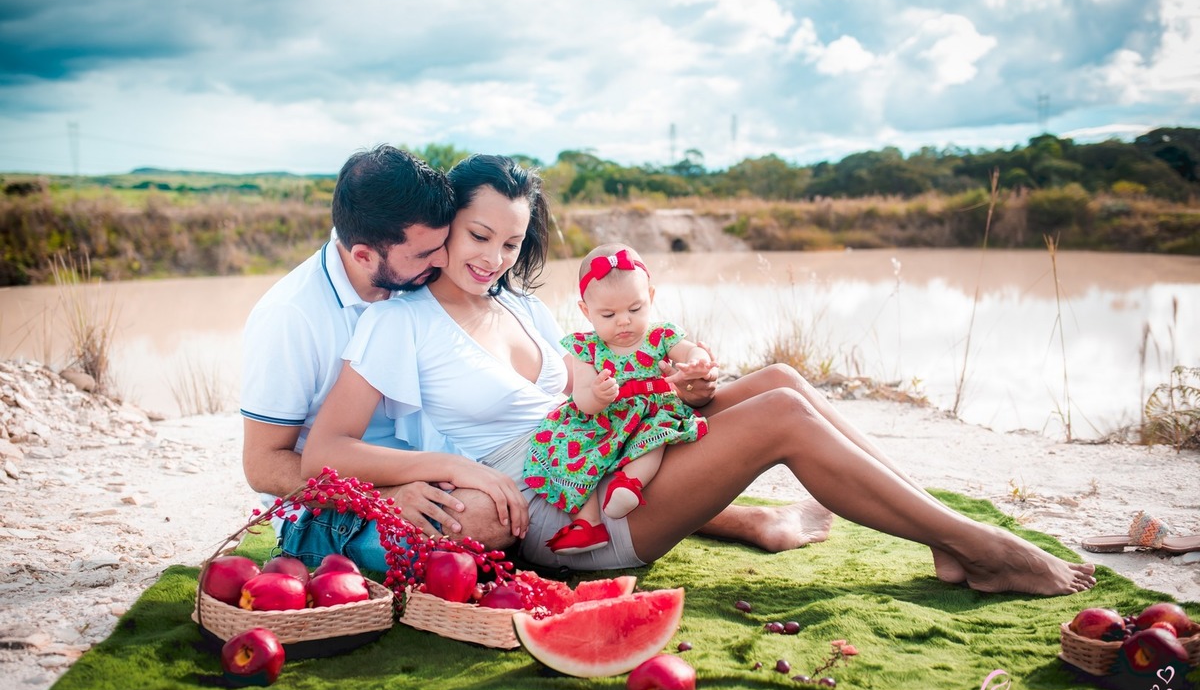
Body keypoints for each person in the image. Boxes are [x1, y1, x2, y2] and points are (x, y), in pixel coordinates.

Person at [303, 153, 1097, 596]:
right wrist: (443, 464)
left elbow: (596, 387)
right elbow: (326, 451)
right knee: (780, 422)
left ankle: (941, 540)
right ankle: (981, 546)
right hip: (558, 510)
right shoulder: (397, 323)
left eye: (511, 243)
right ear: (448, 227)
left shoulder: (521, 310)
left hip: (598, 446)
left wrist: (683, 389)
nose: (493, 258)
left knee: (781, 379)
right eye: (480, 235)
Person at [239, 145, 521, 573]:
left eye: (443, 244)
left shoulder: (411, 284)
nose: (442, 260)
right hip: (331, 509)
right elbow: (262, 464)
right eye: (425, 254)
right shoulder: (291, 316)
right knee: (483, 521)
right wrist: (383, 496)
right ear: (364, 256)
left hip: (429, 474)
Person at [524, 243, 716, 555]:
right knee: (569, 449)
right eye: (609, 314)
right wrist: (597, 395)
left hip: (651, 411)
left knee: (655, 437)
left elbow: (689, 349)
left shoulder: (660, 336)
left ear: (651, 298)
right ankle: (587, 523)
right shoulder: (586, 348)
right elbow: (582, 397)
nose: (624, 321)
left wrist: (697, 360)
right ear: (586, 311)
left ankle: (629, 483)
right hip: (601, 419)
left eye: (635, 309)